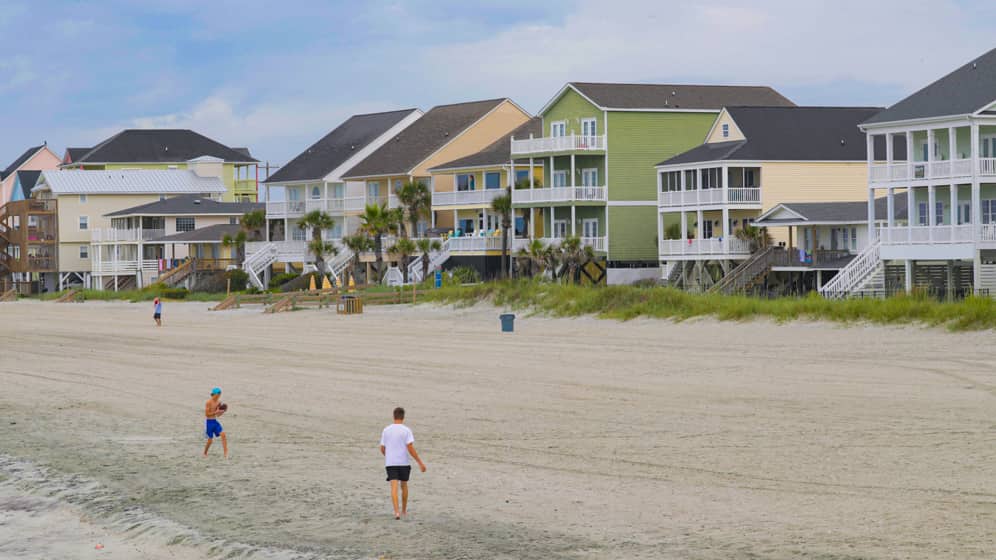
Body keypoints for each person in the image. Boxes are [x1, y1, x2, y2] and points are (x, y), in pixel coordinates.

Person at [379, 407, 426, 520]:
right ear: (403, 417)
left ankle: (397, 513)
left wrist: (389, 456)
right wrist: (420, 462)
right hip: (404, 463)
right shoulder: (406, 430)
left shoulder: (386, 430)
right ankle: (404, 510)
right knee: (404, 486)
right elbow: (410, 447)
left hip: (391, 463)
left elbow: (382, 448)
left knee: (393, 487)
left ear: (393, 416)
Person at [203, 387, 228, 458]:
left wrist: (222, 412)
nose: (219, 396)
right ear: (214, 394)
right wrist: (216, 412)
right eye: (218, 395)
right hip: (209, 422)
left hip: (215, 421)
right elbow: (206, 414)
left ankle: (225, 453)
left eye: (220, 395)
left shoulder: (219, 402)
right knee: (210, 440)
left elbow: (218, 415)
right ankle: (205, 453)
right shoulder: (208, 402)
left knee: (223, 434)